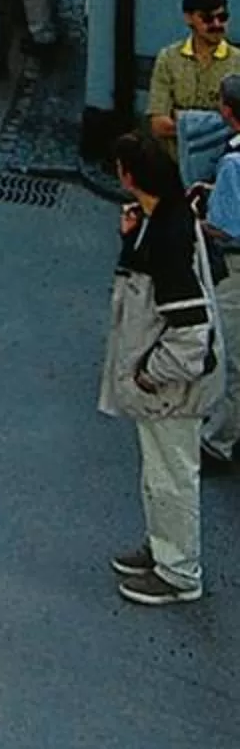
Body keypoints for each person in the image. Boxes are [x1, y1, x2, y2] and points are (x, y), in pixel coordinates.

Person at [100, 128, 224, 605]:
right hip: (170, 387)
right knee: (160, 474)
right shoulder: (166, 218)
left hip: (172, 389)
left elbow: (190, 333)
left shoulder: (168, 237)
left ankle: (179, 573)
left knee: (171, 477)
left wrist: (148, 374)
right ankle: (163, 549)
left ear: (128, 176)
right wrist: (130, 239)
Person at [197, 75, 240, 478]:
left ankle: (219, 440)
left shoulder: (232, 162)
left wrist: (198, 218)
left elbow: (226, 229)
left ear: (227, 110)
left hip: (236, 267)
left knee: (230, 356)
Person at [147, 0, 238, 158]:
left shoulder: (238, 62)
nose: (217, 24)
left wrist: (183, 121)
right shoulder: (169, 59)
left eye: (222, 17)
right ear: (189, 18)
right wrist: (218, 123)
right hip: (175, 163)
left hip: (223, 163)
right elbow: (158, 124)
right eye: (207, 19)